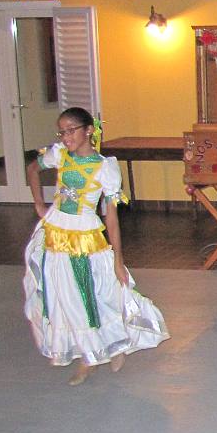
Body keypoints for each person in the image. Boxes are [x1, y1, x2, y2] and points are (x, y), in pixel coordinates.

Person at [24, 107, 169, 386]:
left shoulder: (104, 167)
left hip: (85, 236)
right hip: (56, 232)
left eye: (71, 130)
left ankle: (101, 350)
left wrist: (118, 260)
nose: (65, 137)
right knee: (62, 295)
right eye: (62, 131)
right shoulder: (60, 155)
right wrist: (39, 203)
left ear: (88, 130)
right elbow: (33, 167)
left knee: (93, 294)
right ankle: (90, 351)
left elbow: (112, 217)